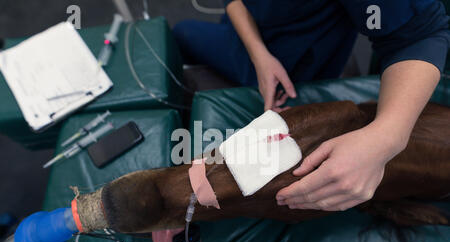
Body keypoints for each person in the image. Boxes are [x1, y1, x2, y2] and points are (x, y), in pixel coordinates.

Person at [174, 0, 450, 212]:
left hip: (295, 67)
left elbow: (421, 36)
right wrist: (259, 55)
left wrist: (387, 138)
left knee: (184, 32)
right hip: (250, 42)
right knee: (183, 32)